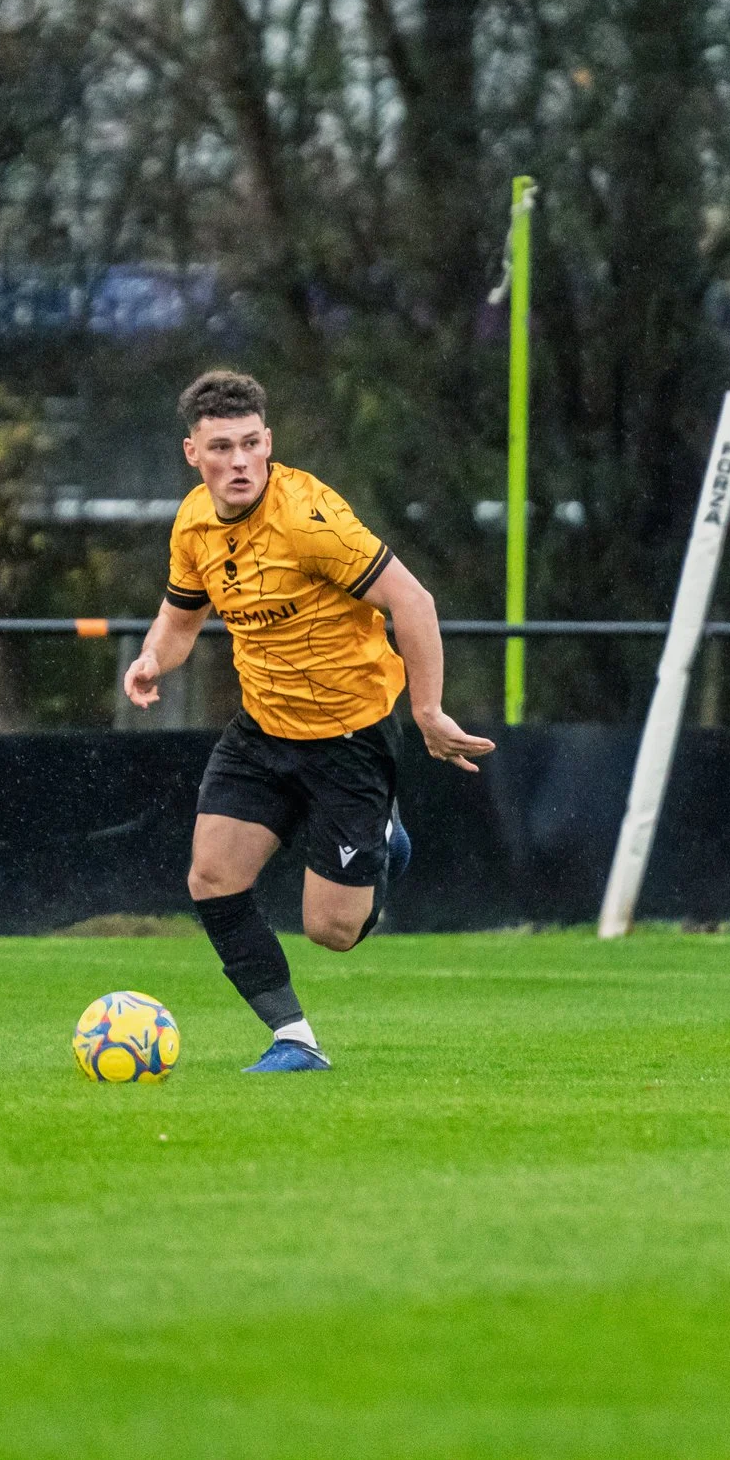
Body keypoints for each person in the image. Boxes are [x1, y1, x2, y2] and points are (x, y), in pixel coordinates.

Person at [124, 370, 495, 1068]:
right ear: (192, 454)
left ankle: (383, 834)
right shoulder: (194, 523)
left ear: (269, 442)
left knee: (332, 930)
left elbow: (412, 602)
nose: (239, 462)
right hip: (263, 731)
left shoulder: (307, 519)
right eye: (222, 448)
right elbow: (179, 620)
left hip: (348, 738)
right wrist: (151, 660)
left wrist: (427, 710)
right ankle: (293, 1037)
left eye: (251, 444)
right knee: (210, 876)